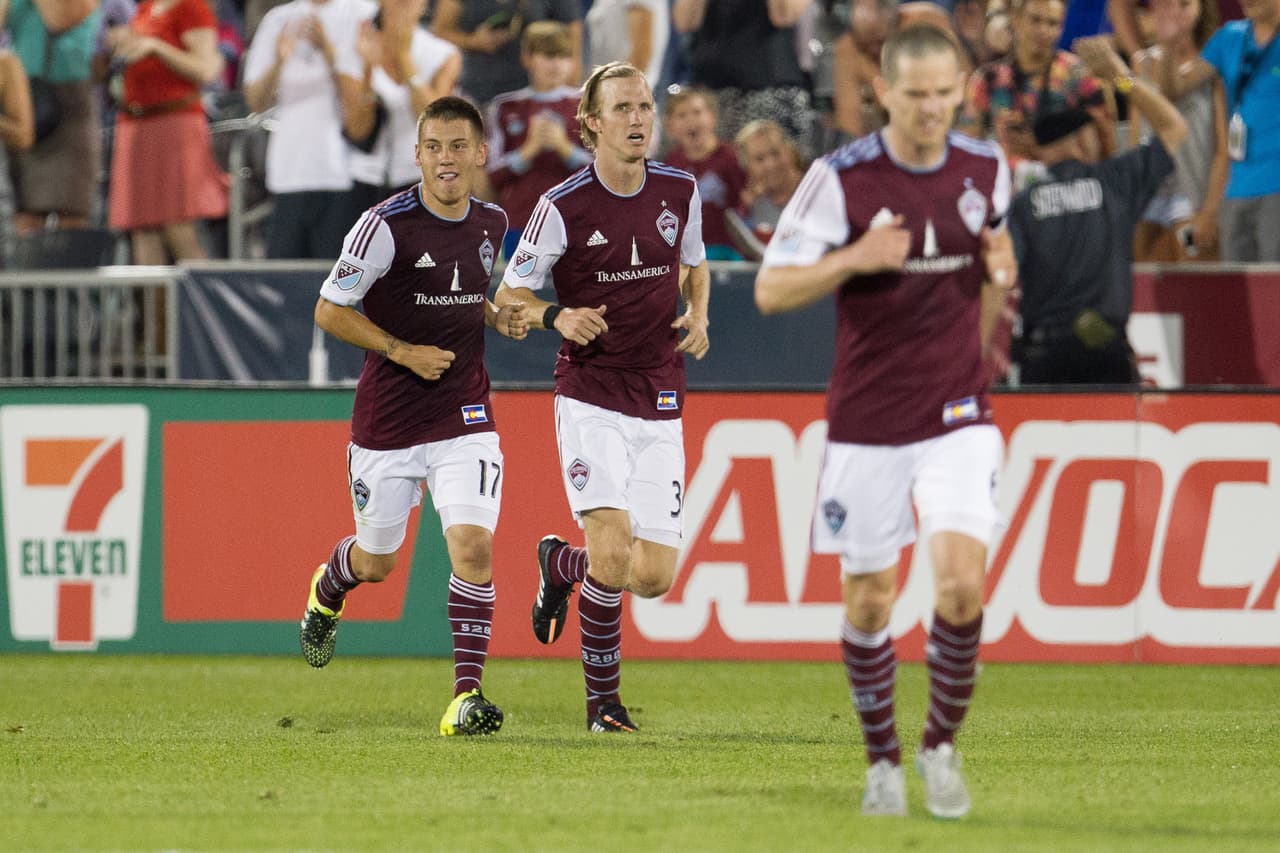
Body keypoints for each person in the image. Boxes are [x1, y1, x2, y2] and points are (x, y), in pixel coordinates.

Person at [754, 24, 1018, 819]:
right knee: (870, 602)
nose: (933, 108)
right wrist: (853, 260)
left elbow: (992, 274)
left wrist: (993, 297)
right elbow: (771, 289)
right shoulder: (842, 179)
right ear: (885, 93)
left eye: (947, 93)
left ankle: (939, 747)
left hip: (958, 413)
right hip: (868, 421)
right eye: (918, 94)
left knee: (963, 586)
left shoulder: (988, 168)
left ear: (963, 89)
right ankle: (881, 762)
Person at [300, 96, 530, 737]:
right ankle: (330, 585)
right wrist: (401, 350)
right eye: (435, 147)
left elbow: (469, 290)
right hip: (389, 421)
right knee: (378, 563)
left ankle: (465, 698)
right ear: (419, 154)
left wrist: (494, 313)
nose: (447, 159)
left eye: (460, 146)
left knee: (474, 546)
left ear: (481, 153)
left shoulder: (492, 221)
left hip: (464, 412)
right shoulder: (383, 226)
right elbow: (328, 308)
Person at [493, 61, 710, 734]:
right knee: (614, 551)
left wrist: (699, 314)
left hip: (659, 390)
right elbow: (507, 299)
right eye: (622, 108)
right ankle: (603, 706)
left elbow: (695, 263)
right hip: (590, 393)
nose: (639, 119)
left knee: (652, 575)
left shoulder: (681, 188)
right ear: (591, 124)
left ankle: (562, 562)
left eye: (644, 106)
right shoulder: (562, 206)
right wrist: (556, 315)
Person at [1009, 36, 1187, 384]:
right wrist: (1121, 76)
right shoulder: (1114, 181)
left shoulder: (1022, 205)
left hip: (1042, 358)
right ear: (1080, 140)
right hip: (1105, 353)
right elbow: (1173, 127)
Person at [242, 0, 375, 259]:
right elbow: (255, 102)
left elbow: (365, 99)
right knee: (285, 283)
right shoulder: (277, 20)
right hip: (289, 173)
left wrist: (328, 51)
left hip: (345, 172)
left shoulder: (361, 12)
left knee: (340, 284)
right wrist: (279, 62)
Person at [105, 0, 229, 264]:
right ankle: (152, 307)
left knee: (179, 227)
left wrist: (157, 48)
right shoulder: (147, 7)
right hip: (136, 125)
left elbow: (206, 70)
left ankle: (198, 305)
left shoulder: (191, 6)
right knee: (143, 230)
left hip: (174, 124)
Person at [338, 0, 461, 216]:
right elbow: (358, 130)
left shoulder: (443, 53)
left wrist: (404, 56)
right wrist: (367, 68)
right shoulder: (356, 48)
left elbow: (434, 124)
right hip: (364, 180)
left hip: (419, 179)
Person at [1128, 0, 1227, 261]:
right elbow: (1135, 139)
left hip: (1195, 198)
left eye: (1183, 3)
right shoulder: (1142, 64)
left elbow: (1223, 150)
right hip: (1150, 200)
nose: (1173, 10)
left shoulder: (1216, 63)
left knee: (1195, 289)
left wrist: (1210, 211)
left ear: (1201, 8)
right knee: (1145, 290)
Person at [485, 20, 590, 259]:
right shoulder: (504, 106)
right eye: (547, 55)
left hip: (577, 221)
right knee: (520, 292)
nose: (556, 64)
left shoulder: (587, 105)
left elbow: (604, 170)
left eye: (563, 56)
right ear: (527, 58)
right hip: (522, 220)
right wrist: (528, 151)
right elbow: (491, 173)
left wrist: (565, 149)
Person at [4, 0, 101, 237]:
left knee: (71, 211)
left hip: (67, 100)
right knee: (25, 210)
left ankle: (71, 270)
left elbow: (57, 19)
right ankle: (25, 270)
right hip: (21, 98)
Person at [1198, 0, 1280, 261]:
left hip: (1274, 191)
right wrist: (1124, 81)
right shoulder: (1227, 40)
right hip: (1232, 192)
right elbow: (1166, 90)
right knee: (1236, 293)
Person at [431, 0, 583, 109]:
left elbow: (572, 41)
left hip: (534, 94)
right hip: (478, 91)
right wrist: (474, 41)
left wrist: (567, 97)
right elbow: (440, 31)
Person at [662, 86, 746, 260]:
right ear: (670, 126)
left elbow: (745, 203)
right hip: (686, 253)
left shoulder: (732, 158)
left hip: (727, 250)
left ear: (712, 117)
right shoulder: (671, 164)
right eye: (682, 115)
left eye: (697, 112)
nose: (691, 120)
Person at [725, 118, 805, 260]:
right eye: (759, 159)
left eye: (775, 153)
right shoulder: (747, 209)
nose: (770, 165)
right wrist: (746, 208)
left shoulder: (816, 188)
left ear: (790, 152)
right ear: (747, 167)